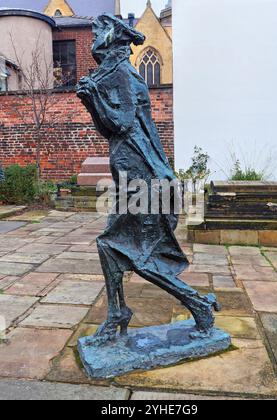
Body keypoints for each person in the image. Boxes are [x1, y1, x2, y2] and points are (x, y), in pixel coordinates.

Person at [77, 14, 220, 345]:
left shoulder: (124, 75)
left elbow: (123, 123)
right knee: (110, 246)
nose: (93, 39)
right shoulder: (110, 74)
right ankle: (117, 313)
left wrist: (93, 97)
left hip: (144, 177)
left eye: (98, 33)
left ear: (113, 41)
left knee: (137, 254)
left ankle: (199, 306)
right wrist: (91, 100)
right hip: (131, 173)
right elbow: (108, 130)